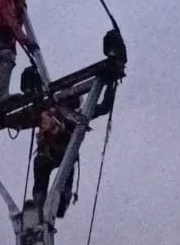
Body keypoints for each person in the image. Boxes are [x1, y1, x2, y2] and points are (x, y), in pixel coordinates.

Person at [29, 83, 116, 218]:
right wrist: (111, 84)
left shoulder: (50, 111)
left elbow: (28, 113)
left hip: (46, 154)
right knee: (65, 173)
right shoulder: (77, 115)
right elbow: (104, 107)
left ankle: (40, 208)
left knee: (42, 180)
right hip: (60, 154)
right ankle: (58, 203)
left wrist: (31, 87)